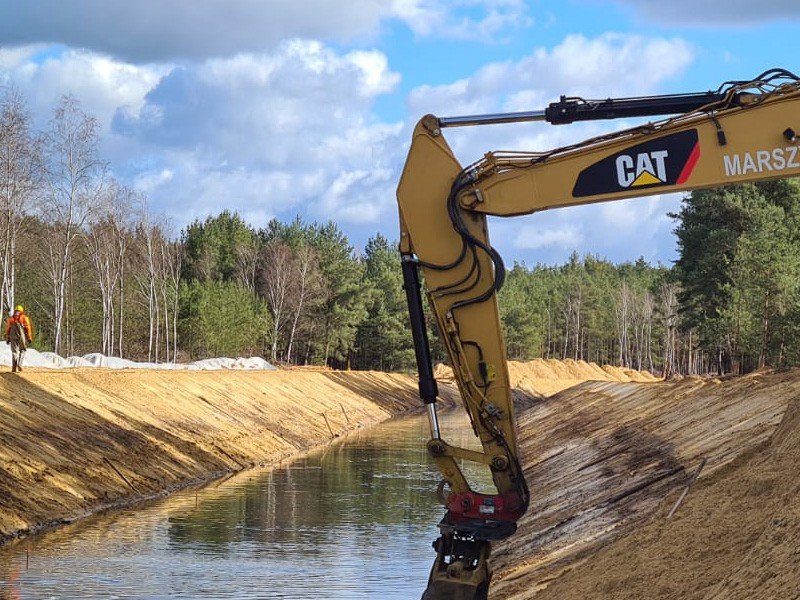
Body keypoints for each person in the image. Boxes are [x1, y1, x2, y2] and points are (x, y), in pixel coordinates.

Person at [6, 305, 32, 373]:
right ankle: (19, 364)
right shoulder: (24, 317)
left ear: (15, 311)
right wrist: (29, 338)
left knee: (14, 352)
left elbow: (8, 329)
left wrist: (8, 338)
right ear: (22, 311)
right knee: (23, 349)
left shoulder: (11, 318)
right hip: (21, 334)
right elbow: (27, 328)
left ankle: (14, 368)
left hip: (12, 335)